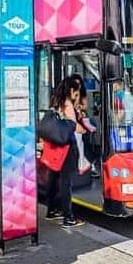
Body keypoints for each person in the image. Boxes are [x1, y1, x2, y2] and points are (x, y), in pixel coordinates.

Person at [45, 78, 84, 228]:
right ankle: (69, 218)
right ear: (72, 91)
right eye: (77, 91)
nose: (77, 94)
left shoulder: (55, 101)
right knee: (66, 182)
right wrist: (84, 128)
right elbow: (74, 127)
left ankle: (51, 210)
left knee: (53, 178)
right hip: (66, 147)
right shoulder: (67, 105)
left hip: (54, 145)